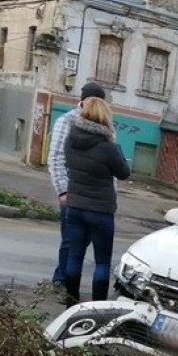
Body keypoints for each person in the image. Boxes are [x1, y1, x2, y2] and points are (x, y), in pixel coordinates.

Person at [62, 96, 131, 305]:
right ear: (104, 118)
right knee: (102, 262)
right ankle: (97, 307)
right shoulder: (107, 147)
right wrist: (115, 144)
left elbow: (68, 165)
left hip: (74, 207)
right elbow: (123, 173)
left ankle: (70, 304)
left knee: (74, 257)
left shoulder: (70, 140)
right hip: (100, 211)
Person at [48, 82, 106, 290]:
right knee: (71, 240)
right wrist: (62, 191)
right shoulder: (67, 122)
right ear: (82, 101)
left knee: (83, 241)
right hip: (72, 193)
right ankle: (62, 280)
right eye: (91, 101)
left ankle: (66, 279)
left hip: (95, 197)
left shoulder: (103, 125)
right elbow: (55, 158)